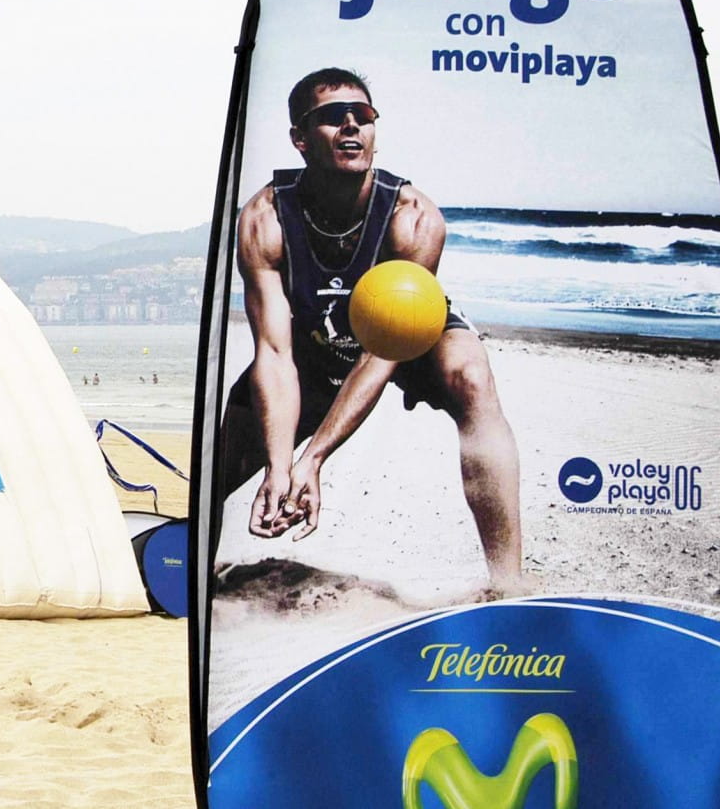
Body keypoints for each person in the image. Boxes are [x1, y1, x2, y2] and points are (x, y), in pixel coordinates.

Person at [216, 67, 523, 590]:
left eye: (364, 116)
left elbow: (383, 351)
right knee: (233, 455)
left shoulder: (414, 218)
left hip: (407, 331)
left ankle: (510, 585)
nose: (352, 126)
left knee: (470, 376)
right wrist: (280, 463)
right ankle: (196, 570)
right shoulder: (265, 217)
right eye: (333, 118)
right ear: (300, 139)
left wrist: (313, 458)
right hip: (315, 339)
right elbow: (273, 351)